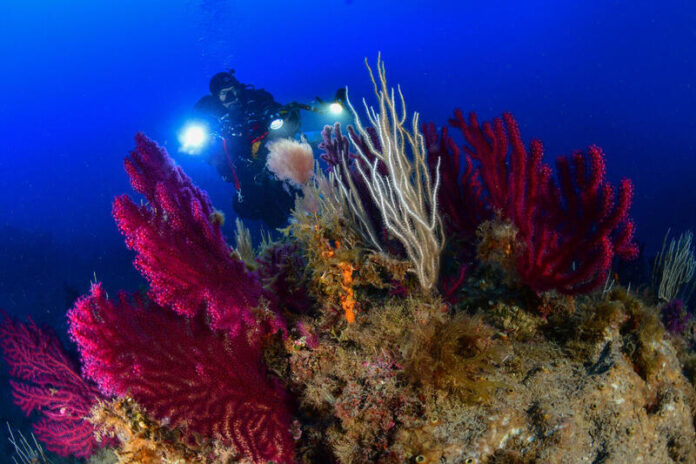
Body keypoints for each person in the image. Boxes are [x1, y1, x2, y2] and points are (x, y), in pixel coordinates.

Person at [193, 70, 308, 228]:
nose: (231, 97)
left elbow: (280, 112)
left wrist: (275, 115)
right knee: (254, 208)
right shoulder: (213, 119)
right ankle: (287, 234)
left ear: (239, 89)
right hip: (244, 171)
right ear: (216, 98)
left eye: (233, 91)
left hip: (273, 159)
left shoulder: (257, 100)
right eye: (224, 94)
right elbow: (208, 154)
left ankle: (310, 222)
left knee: (296, 197)